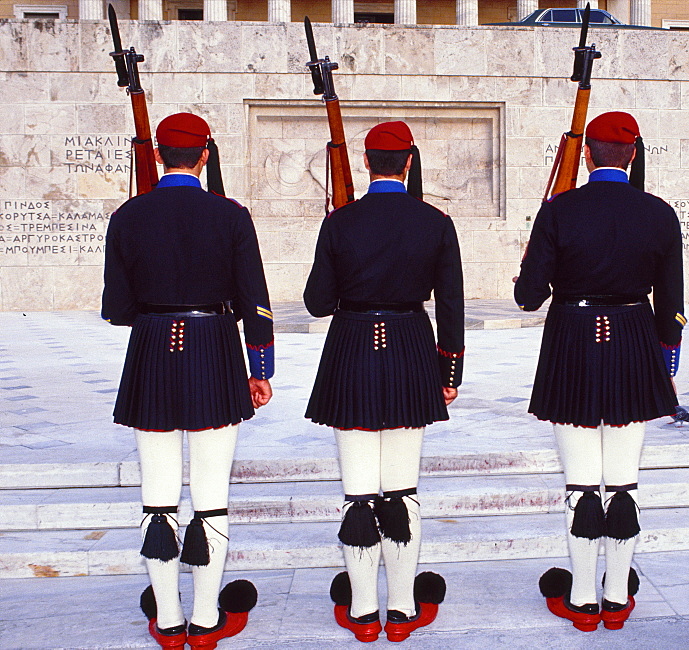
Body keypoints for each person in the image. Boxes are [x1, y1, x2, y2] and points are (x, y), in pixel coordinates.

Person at [102, 112, 272, 648]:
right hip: (214, 350)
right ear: (205, 155)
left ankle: (168, 622)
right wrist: (259, 370)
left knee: (157, 497)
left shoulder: (128, 216)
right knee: (211, 495)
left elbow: (116, 307)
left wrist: (157, 312)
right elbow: (255, 303)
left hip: (152, 350)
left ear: (156, 155)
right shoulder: (231, 215)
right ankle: (205, 620)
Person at [514, 111, 685, 632]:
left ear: (587, 154)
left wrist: (530, 270)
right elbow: (672, 302)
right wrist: (666, 363)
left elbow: (528, 297)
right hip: (634, 341)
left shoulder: (559, 210)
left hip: (571, 341)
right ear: (632, 154)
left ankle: (584, 599)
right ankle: (617, 593)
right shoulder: (658, 213)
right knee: (624, 481)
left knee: (581, 482)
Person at [303, 121, 461, 643]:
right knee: (403, 489)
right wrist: (448, 371)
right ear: (409, 163)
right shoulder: (435, 223)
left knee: (358, 493)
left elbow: (317, 303)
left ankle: (364, 612)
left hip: (350, 348)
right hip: (412, 350)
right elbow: (451, 307)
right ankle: (401, 608)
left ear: (367, 164)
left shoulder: (339, 222)